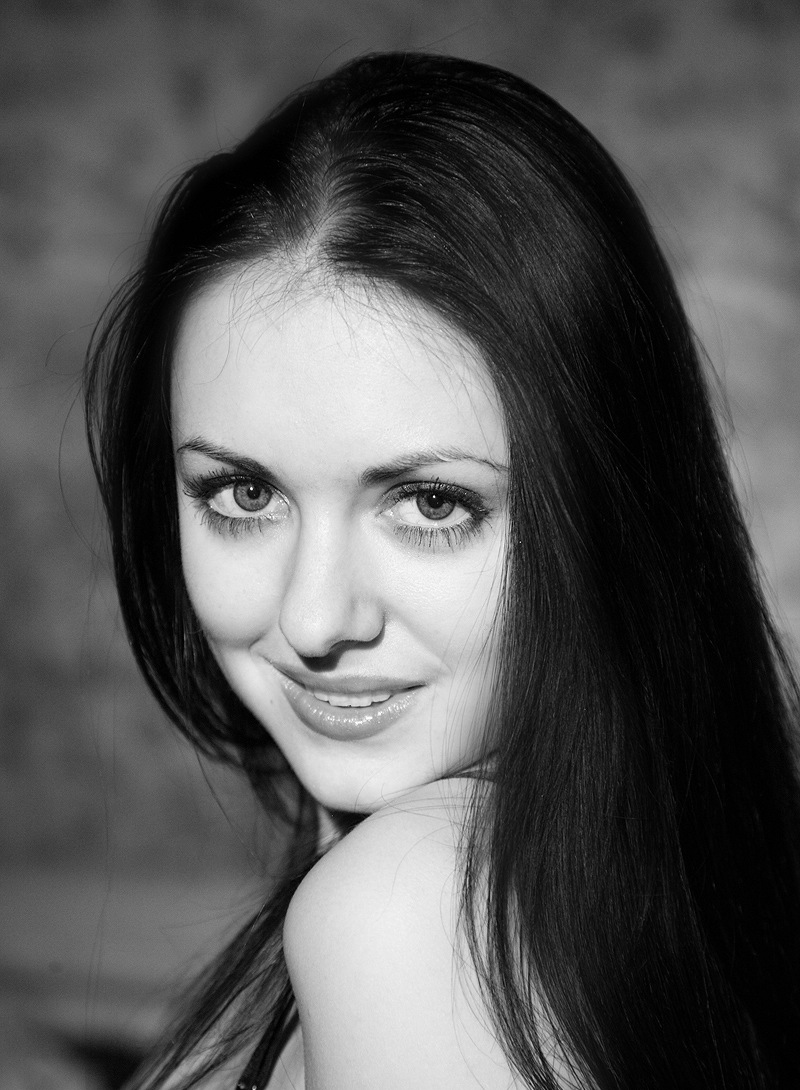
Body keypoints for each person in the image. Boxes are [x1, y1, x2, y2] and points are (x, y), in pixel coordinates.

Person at [84, 51, 800, 1090]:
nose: (314, 618)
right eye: (242, 493)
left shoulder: (410, 909)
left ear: (605, 513)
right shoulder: (611, 889)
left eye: (429, 505)